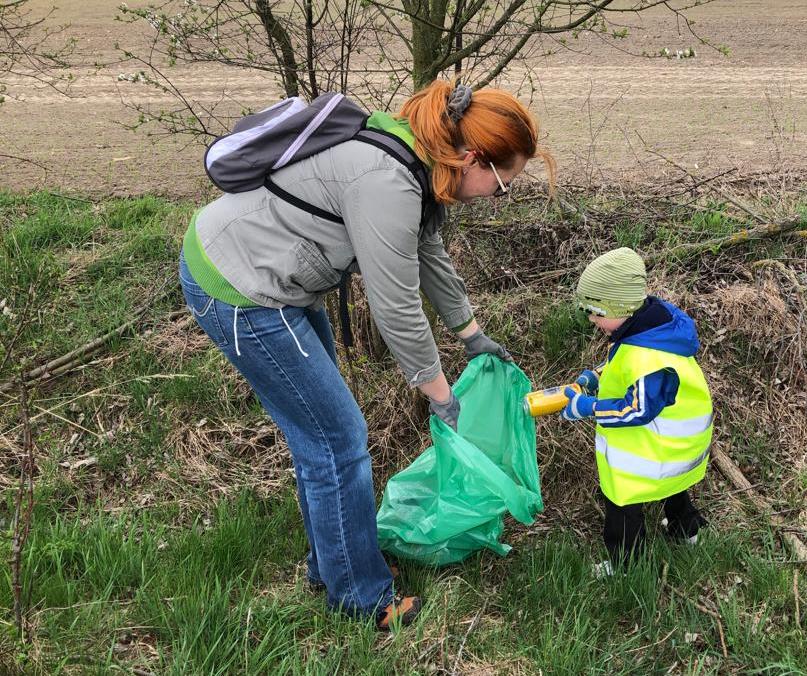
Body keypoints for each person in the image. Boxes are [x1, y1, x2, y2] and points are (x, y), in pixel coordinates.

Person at [178, 80, 552, 628]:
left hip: (276, 284)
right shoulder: (388, 182)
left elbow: (427, 254)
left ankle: (330, 566)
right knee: (338, 439)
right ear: (473, 158)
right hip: (239, 288)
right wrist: (439, 393)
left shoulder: (419, 166)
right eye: (502, 184)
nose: (498, 196)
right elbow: (396, 304)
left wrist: (470, 333)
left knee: (323, 437)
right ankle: (359, 597)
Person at [560, 247, 713, 576]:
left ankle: (627, 562)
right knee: (675, 489)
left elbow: (636, 408)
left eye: (596, 312)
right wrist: (597, 376)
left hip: (657, 449)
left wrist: (587, 407)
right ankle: (687, 530)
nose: (592, 319)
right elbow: (626, 366)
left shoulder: (649, 356)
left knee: (622, 501)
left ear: (620, 307)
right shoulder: (651, 330)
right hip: (676, 446)